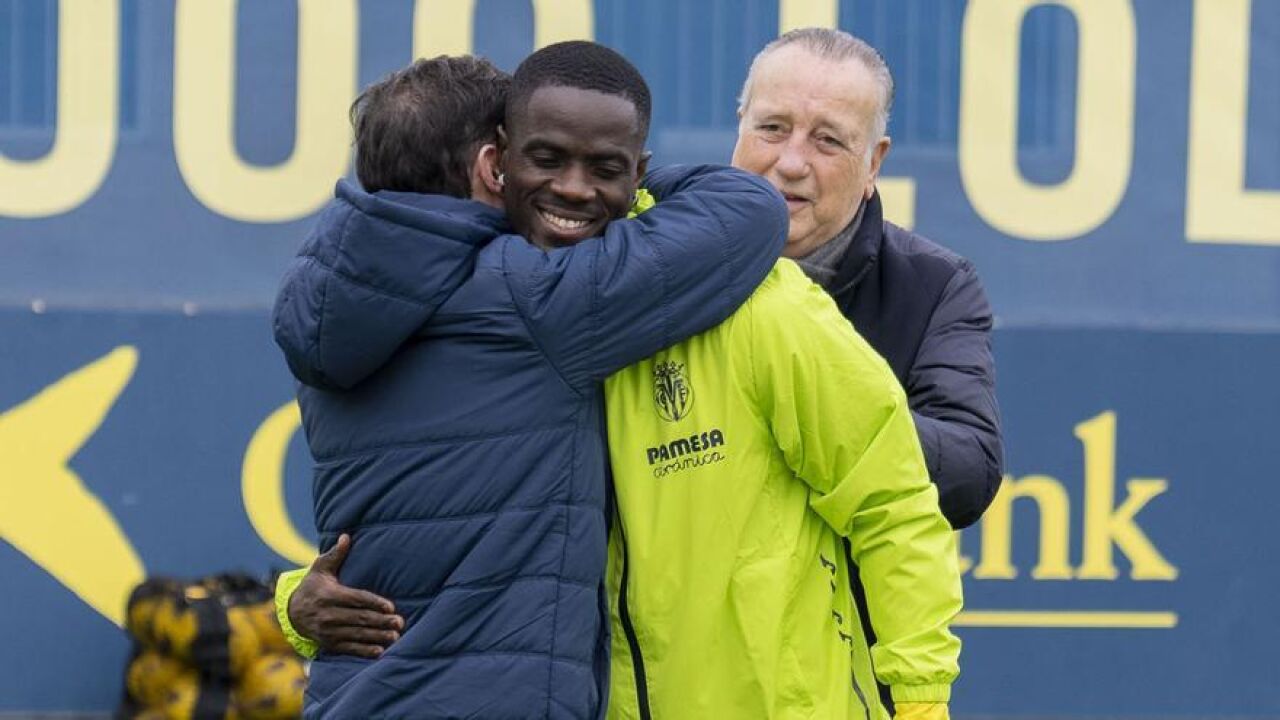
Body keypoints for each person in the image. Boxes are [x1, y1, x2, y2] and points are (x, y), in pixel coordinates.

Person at [280, 42, 963, 719]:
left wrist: (921, 698)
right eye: (546, 157)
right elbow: (435, 525)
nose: (573, 187)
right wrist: (630, 177)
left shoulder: (335, 317)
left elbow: (893, 504)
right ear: (497, 164)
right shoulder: (529, 303)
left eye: (601, 166)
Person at [731, 28, 1003, 712]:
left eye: (828, 141)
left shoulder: (934, 285)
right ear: (739, 127)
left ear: (874, 161)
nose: (791, 162)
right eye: (772, 128)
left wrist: (827, 407)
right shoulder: (658, 263)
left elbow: (969, 469)